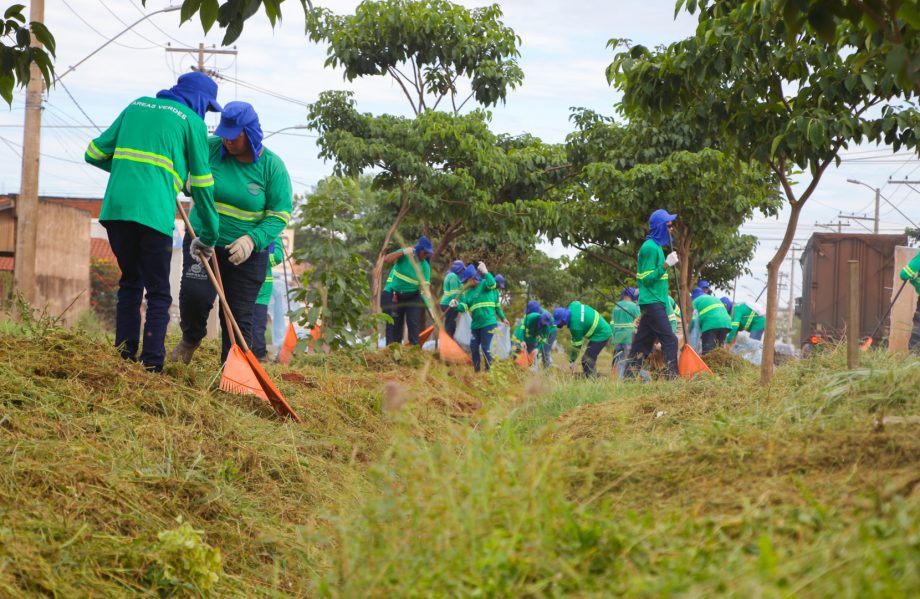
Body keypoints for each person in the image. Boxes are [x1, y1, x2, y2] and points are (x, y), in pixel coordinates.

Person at [85, 72, 221, 372]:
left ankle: (123, 356)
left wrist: (130, 170)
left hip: (116, 210)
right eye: (207, 106)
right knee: (159, 291)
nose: (206, 113)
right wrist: (210, 233)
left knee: (131, 281)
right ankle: (151, 366)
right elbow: (201, 183)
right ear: (199, 99)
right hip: (153, 213)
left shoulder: (137, 105)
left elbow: (93, 153)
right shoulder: (192, 123)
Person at [170, 101, 292, 365]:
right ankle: (191, 338)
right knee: (194, 296)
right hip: (203, 243)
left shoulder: (272, 167)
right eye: (223, 134)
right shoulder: (210, 150)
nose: (226, 141)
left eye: (233, 136)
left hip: (246, 255)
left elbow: (280, 214)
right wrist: (185, 179)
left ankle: (232, 374)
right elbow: (180, 171)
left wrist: (252, 240)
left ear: (250, 133)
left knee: (238, 319)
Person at [627, 209, 680, 379]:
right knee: (670, 340)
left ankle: (628, 377)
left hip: (656, 301)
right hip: (652, 302)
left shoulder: (656, 247)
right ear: (659, 227)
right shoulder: (650, 248)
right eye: (668, 225)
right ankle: (673, 379)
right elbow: (645, 278)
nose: (671, 229)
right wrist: (666, 264)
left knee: (642, 344)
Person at [452, 262, 505, 372]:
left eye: (466, 281)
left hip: (488, 323)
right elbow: (464, 306)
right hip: (476, 325)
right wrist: (456, 305)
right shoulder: (469, 293)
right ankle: (477, 371)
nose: (466, 283)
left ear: (472, 278)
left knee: (485, 348)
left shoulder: (485, 284)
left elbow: (492, 284)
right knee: (473, 347)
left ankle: (488, 371)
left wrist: (485, 272)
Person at [381, 236, 433, 346]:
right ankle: (393, 348)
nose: (426, 255)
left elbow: (425, 289)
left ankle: (414, 349)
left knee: (413, 322)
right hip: (396, 295)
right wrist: (403, 252)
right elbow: (387, 259)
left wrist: (431, 308)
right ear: (419, 250)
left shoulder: (425, 266)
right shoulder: (404, 256)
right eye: (425, 252)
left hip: (413, 296)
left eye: (428, 253)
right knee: (396, 324)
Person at [553, 300, 612, 377]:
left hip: (602, 334)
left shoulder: (575, 327)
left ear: (564, 320)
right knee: (588, 358)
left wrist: (572, 361)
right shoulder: (572, 306)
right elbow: (577, 302)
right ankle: (591, 376)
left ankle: (592, 379)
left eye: (560, 323)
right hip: (602, 328)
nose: (559, 326)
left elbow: (577, 346)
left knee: (587, 359)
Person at [251, 239, 284, 361]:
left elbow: (277, 257)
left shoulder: (273, 236)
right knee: (243, 320)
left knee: (258, 322)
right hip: (243, 283)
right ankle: (244, 352)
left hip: (262, 287)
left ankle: (259, 355)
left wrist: (254, 258)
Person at [691, 287, 732, 355]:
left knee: (707, 352)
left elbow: (692, 319)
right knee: (718, 351)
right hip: (726, 323)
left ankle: (706, 365)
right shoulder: (713, 298)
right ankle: (717, 365)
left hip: (711, 324)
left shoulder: (695, 301)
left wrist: (689, 330)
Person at [611, 287, 640, 379]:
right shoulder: (634, 306)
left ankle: (620, 383)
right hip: (629, 337)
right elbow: (641, 321)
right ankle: (645, 378)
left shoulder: (616, 306)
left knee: (620, 362)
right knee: (632, 361)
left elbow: (612, 323)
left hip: (617, 338)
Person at [439, 260, 465, 338]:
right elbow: (454, 293)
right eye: (462, 270)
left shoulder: (450, 275)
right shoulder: (453, 276)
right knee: (450, 325)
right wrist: (459, 303)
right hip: (449, 304)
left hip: (447, 303)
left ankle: (448, 340)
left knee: (450, 323)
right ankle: (448, 342)